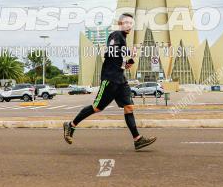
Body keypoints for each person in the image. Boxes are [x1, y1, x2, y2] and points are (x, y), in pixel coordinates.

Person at [63, 13, 156, 150]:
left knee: (129, 107)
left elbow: (121, 62)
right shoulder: (116, 35)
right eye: (125, 22)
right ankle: (71, 125)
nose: (128, 25)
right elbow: (111, 51)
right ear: (120, 24)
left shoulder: (123, 39)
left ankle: (137, 140)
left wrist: (128, 61)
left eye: (131, 23)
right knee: (97, 107)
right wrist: (127, 53)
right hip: (110, 79)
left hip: (121, 80)